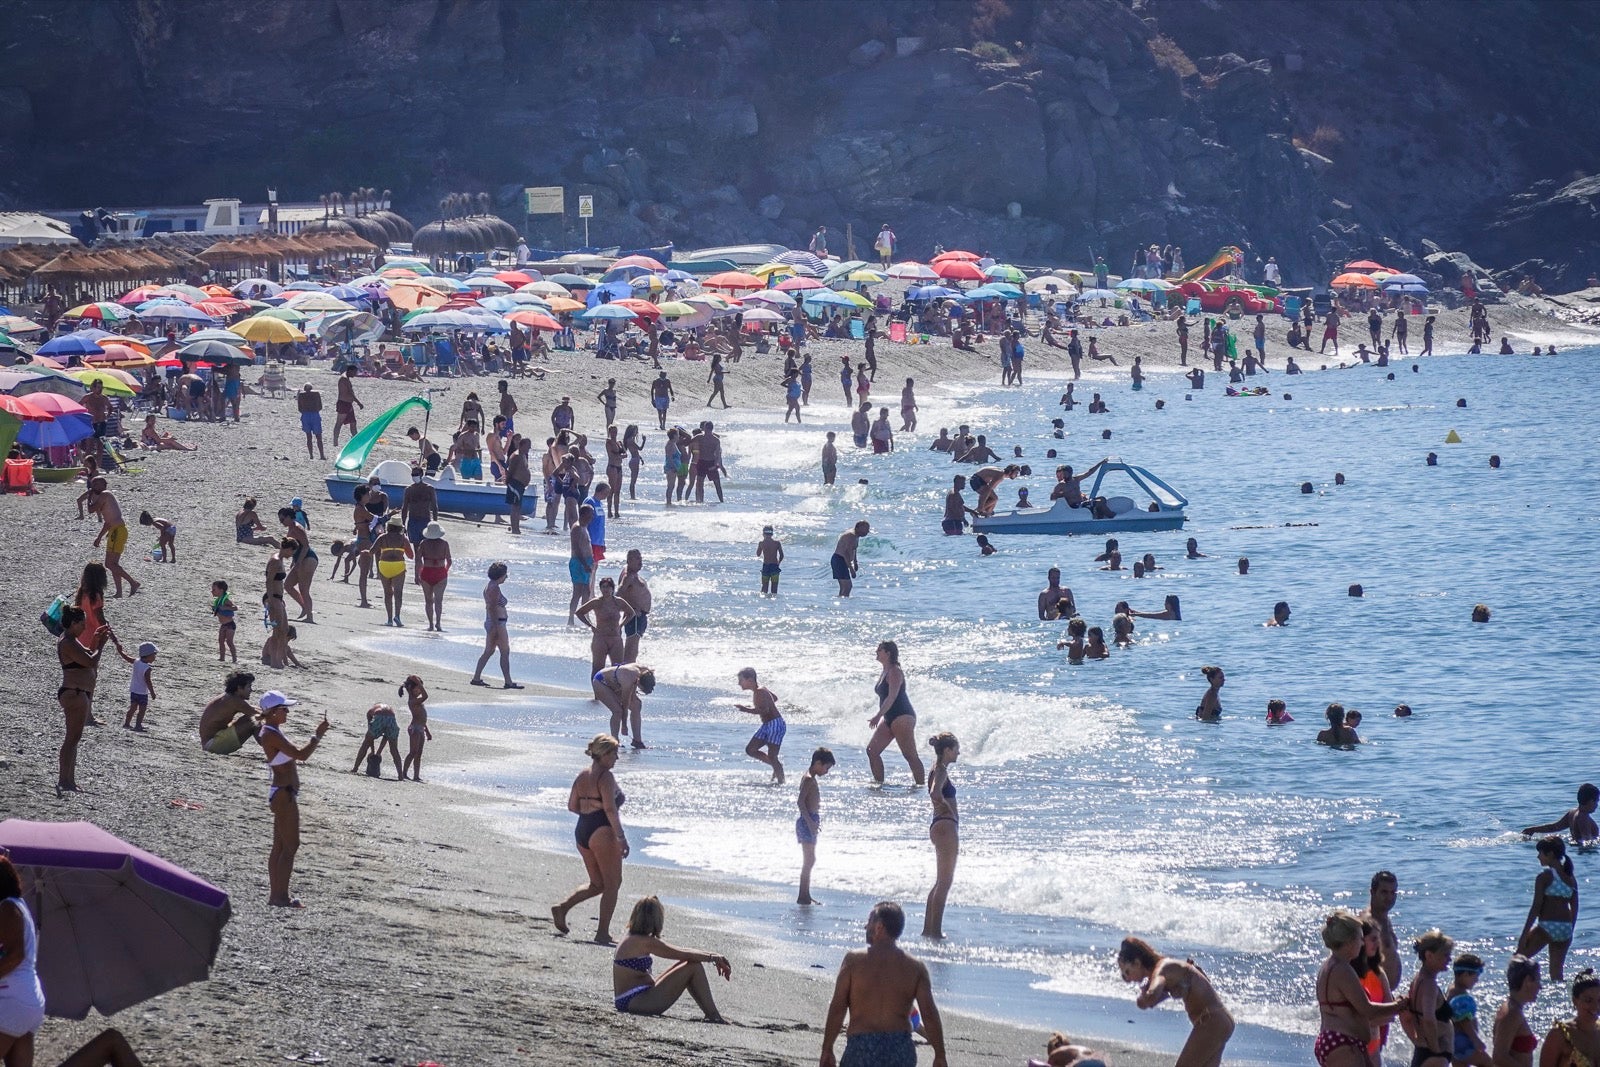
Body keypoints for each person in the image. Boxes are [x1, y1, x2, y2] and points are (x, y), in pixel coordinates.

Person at [820, 901, 947, 1067]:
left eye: (870, 921)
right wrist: (940, 1055)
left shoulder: (854, 961)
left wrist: (827, 1048)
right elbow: (929, 1013)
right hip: (899, 1049)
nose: (866, 926)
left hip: (861, 1047)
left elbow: (838, 1008)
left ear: (879, 927)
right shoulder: (915, 967)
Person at [552, 734, 630, 944]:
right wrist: (621, 837)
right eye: (614, 753)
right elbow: (610, 809)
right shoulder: (605, 777)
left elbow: (572, 806)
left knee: (598, 884)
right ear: (604, 754)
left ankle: (562, 908)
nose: (617, 758)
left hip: (583, 829)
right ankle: (602, 932)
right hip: (602, 830)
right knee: (613, 883)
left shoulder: (582, 775)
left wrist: (590, 811)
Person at [256, 691, 330, 907]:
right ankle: (280, 897)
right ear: (272, 712)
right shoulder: (270, 733)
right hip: (284, 793)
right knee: (290, 847)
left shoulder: (272, 730)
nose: (287, 712)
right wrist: (317, 735)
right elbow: (302, 755)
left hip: (282, 792)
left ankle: (276, 896)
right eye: (284, 709)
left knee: (280, 846)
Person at [1118, 936, 1234, 1067]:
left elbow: (1152, 995)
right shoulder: (1168, 966)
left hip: (1211, 1021)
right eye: (1124, 975)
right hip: (1220, 1021)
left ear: (1137, 963)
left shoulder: (1161, 968)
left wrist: (1146, 996)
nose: (1128, 978)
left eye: (1127, 972)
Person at [609, 896, 731, 1020]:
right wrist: (713, 958)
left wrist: (713, 956)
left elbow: (684, 952)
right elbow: (682, 953)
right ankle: (713, 1015)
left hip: (630, 998)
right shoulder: (644, 941)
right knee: (693, 967)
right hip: (636, 1001)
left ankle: (710, 1013)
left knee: (688, 964)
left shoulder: (631, 936)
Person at [1312, 909, 1404, 1067]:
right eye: (1360, 939)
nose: (1362, 944)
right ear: (1348, 942)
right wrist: (1399, 1006)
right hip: (1342, 1042)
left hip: (1332, 1040)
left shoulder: (1328, 965)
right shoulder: (1343, 969)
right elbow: (1367, 1009)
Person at [56, 606, 112, 792]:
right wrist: (102, 645)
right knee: (71, 739)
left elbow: (87, 654)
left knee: (74, 739)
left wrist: (96, 640)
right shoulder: (67, 642)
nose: (84, 628)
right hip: (74, 692)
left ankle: (69, 780)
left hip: (79, 693)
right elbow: (90, 661)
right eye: (82, 624)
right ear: (73, 623)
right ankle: (64, 780)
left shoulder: (72, 640)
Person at [0, 854, 45, 1065]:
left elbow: (16, 955)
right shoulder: (17, 906)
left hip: (11, 1001)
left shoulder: (7, 908)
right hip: (27, 1001)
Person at [1518, 836, 1579, 981]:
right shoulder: (1571, 878)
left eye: (1540, 853)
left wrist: (1523, 935)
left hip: (1547, 926)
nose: (1538, 856)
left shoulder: (1544, 877)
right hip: (1566, 929)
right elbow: (1575, 907)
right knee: (1556, 974)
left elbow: (1536, 907)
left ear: (1550, 854)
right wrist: (1570, 930)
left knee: (1518, 960)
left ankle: (1516, 996)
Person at [866, 640, 924, 786]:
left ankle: (922, 786)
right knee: (872, 751)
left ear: (888, 653)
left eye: (879, 650)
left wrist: (878, 716)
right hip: (889, 718)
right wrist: (882, 716)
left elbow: (892, 696)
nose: (876, 652)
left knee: (910, 756)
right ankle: (879, 784)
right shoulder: (884, 670)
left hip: (902, 716)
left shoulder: (895, 671)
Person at [923, 732, 961, 939]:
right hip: (945, 825)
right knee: (945, 882)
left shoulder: (936, 769)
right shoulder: (941, 770)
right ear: (947, 750)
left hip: (939, 825)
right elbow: (935, 793)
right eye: (956, 748)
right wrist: (949, 809)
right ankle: (935, 931)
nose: (959, 752)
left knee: (940, 881)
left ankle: (928, 929)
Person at [1401, 930, 1455, 1067]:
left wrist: (1415, 1039)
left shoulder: (1418, 980)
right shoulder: (1429, 984)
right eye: (1445, 955)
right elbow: (1429, 1019)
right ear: (1429, 955)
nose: (1449, 959)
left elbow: (1405, 1015)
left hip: (1423, 1051)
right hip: (1434, 1057)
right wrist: (1435, 1049)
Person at [470, 562, 520, 689]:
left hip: (495, 622)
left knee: (489, 651)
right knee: (504, 651)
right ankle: (508, 681)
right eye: (505, 575)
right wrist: (496, 626)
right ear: (500, 575)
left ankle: (476, 677)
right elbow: (491, 607)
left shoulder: (491, 586)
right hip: (497, 623)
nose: (506, 577)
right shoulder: (494, 588)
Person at [86, 478, 139, 597]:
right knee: (114, 564)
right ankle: (119, 592)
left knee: (109, 564)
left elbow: (90, 509)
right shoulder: (104, 500)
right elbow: (107, 522)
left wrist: (89, 496)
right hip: (114, 530)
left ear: (104, 485)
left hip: (118, 531)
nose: (94, 485)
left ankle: (133, 582)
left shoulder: (105, 494)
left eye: (97, 483)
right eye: (93, 483)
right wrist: (99, 537)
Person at [796, 747, 835, 906]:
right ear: (818, 763)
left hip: (810, 819)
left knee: (810, 860)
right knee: (809, 860)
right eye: (826, 768)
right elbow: (800, 802)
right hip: (806, 821)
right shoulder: (808, 778)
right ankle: (802, 895)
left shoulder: (811, 778)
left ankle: (806, 894)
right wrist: (810, 822)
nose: (826, 772)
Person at [576, 577, 634, 678]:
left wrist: (621, 625)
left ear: (612, 588)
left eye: (608, 587)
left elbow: (631, 613)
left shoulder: (618, 602)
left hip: (615, 638)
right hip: (600, 638)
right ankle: (597, 691)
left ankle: (615, 691)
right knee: (598, 668)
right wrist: (591, 625)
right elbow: (579, 613)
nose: (605, 589)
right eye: (603, 587)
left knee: (617, 668)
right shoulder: (597, 602)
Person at [735, 667, 785, 783]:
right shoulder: (760, 691)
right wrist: (763, 703)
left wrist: (746, 709)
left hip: (775, 724)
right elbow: (774, 698)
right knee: (750, 749)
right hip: (767, 725)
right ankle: (775, 765)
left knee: (772, 755)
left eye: (741, 680)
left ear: (750, 680)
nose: (739, 683)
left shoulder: (760, 692)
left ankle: (781, 781)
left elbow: (765, 711)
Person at [1541, 968, 1600, 1067]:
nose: (1595, 1006)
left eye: (1599, 1000)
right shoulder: (1559, 1034)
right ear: (1575, 1001)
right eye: (1588, 1000)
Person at [1445, 953, 1494, 1067]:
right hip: (1464, 1042)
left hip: (1453, 1043)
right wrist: (1476, 1040)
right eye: (1476, 976)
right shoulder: (1462, 996)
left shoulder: (1451, 989)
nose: (1477, 980)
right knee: (1489, 1063)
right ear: (1465, 974)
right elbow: (1464, 1021)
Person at [1492, 956, 1541, 1067]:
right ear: (1528, 980)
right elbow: (1499, 1057)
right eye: (1538, 981)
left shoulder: (1512, 1008)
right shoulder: (1512, 1014)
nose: (1540, 987)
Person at [593, 663, 655, 749]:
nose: (639, 690)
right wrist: (624, 726)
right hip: (601, 681)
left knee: (637, 705)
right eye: (640, 689)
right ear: (638, 682)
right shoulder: (628, 681)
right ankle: (614, 741)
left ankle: (637, 741)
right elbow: (625, 705)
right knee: (618, 711)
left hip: (616, 682)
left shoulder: (646, 671)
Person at [1522, 783, 1600, 846]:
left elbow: (1554, 827)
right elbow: (1587, 842)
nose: (1597, 805)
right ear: (1591, 801)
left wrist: (1533, 829)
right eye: (1597, 801)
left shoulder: (1572, 813)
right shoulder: (1584, 817)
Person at [372, 519, 413, 627]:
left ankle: (389, 619)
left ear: (389, 526)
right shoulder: (403, 539)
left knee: (387, 593)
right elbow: (411, 556)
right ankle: (397, 616)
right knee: (398, 593)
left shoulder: (382, 537)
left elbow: (372, 551)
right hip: (398, 566)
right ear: (400, 528)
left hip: (384, 565)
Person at [350, 702, 403, 779]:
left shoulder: (370, 712)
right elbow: (386, 737)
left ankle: (355, 768)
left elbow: (370, 732)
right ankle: (400, 775)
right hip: (391, 718)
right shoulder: (389, 709)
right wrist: (378, 752)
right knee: (394, 749)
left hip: (379, 716)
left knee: (365, 744)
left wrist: (373, 751)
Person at [416, 522, 451, 632]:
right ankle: (438, 623)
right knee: (438, 601)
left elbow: (418, 560)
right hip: (440, 572)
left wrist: (417, 574)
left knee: (428, 600)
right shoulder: (444, 544)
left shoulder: (423, 543)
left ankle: (431, 624)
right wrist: (445, 570)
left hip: (426, 571)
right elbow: (449, 560)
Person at [618, 549, 651, 663]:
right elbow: (618, 595)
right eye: (637, 559)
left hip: (639, 617)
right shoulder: (628, 577)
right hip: (635, 618)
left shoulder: (633, 575)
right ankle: (626, 674)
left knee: (633, 649)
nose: (640, 562)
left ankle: (626, 672)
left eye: (641, 558)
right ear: (629, 560)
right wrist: (629, 609)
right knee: (631, 651)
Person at [398, 675, 432, 782]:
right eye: (418, 689)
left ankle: (416, 775)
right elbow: (426, 696)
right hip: (415, 728)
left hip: (421, 728)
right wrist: (418, 683)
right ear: (411, 690)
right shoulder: (412, 701)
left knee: (419, 753)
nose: (420, 692)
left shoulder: (417, 700)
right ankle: (404, 773)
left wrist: (427, 731)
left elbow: (422, 718)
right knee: (413, 752)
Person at [121, 640, 157, 731]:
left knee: (132, 708)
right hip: (142, 693)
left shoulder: (136, 661)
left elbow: (127, 658)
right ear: (148, 655)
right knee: (142, 710)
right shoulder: (147, 668)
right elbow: (148, 682)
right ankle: (138, 725)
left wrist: (120, 651)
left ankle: (126, 723)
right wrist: (152, 693)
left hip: (133, 690)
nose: (155, 657)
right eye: (154, 655)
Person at [568, 504, 596, 624]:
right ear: (584, 514)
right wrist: (584, 563)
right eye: (590, 515)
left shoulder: (585, 527)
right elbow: (577, 548)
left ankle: (585, 616)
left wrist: (591, 560)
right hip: (578, 563)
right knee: (577, 592)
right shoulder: (577, 528)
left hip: (586, 562)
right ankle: (571, 619)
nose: (592, 517)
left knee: (587, 591)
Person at [832, 520, 870, 597]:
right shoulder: (850, 536)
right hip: (840, 559)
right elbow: (845, 553)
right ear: (858, 528)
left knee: (845, 587)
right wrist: (851, 569)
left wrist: (855, 562)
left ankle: (841, 601)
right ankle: (842, 603)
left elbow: (854, 549)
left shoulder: (856, 536)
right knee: (847, 586)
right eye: (866, 529)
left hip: (842, 560)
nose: (867, 531)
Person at [333, 366, 363, 445]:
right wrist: (358, 403)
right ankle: (335, 441)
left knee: (353, 422)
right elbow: (350, 393)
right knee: (339, 423)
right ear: (350, 371)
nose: (355, 374)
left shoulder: (346, 377)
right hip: (343, 403)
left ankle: (355, 439)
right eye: (354, 372)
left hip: (348, 404)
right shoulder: (344, 379)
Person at [296, 383, 325, 460]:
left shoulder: (301, 395)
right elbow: (320, 406)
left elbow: (299, 408)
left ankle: (311, 455)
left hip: (305, 415)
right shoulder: (316, 394)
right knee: (319, 437)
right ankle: (322, 455)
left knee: (308, 437)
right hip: (315, 415)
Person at [211, 580, 237, 663]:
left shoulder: (225, 601)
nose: (212, 591)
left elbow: (235, 608)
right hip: (223, 625)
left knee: (229, 642)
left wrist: (226, 608)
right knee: (220, 641)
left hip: (230, 624)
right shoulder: (218, 601)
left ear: (221, 590)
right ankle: (222, 658)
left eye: (214, 589)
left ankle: (234, 659)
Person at [757, 525, 784, 596]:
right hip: (774, 566)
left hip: (765, 566)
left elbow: (758, 554)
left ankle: (764, 603)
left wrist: (761, 547)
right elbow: (781, 555)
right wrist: (778, 563)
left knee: (764, 589)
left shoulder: (761, 543)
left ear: (763, 534)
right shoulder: (777, 543)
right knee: (774, 590)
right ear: (772, 534)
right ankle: (773, 604)